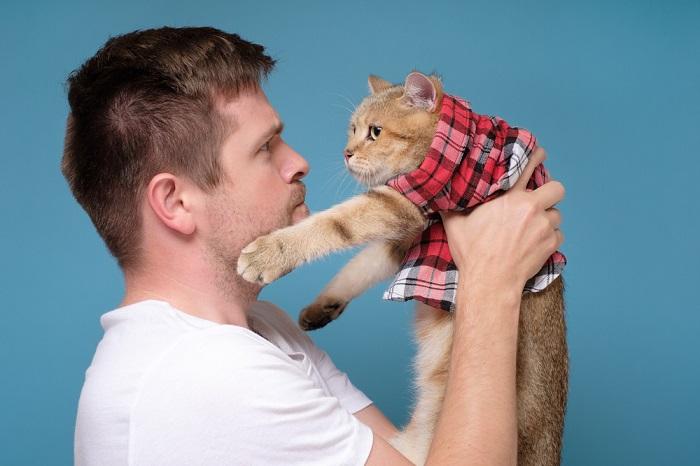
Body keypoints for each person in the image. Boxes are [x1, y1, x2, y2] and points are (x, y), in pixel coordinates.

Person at [64, 26, 565, 465]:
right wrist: (492, 281)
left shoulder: (265, 333)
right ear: (174, 202)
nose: (300, 161)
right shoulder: (206, 375)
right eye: (265, 147)